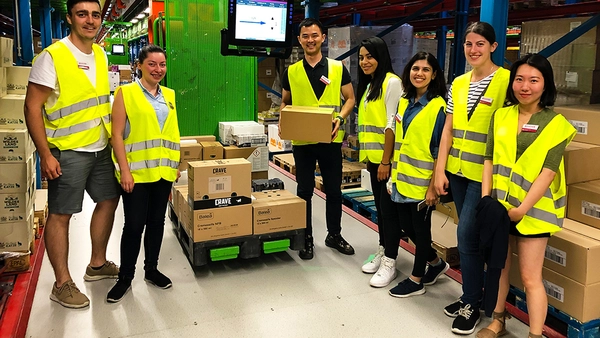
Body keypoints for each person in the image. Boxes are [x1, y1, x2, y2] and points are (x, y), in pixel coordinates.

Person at [23, 0, 120, 309]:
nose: (89, 21)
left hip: (100, 147)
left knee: (108, 200)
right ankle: (62, 283)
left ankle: (96, 264)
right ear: (70, 18)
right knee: (61, 215)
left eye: (94, 15)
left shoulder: (101, 53)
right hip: (67, 151)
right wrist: (45, 154)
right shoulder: (52, 57)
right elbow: (31, 106)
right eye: (82, 14)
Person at [476, 54, 575, 338]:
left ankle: (534, 334)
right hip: (497, 206)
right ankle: (498, 320)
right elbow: (489, 160)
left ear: (546, 85)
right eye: (519, 79)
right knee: (499, 268)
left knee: (531, 278)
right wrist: (486, 199)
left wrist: (521, 210)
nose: (525, 86)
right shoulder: (501, 115)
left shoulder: (556, 123)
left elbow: (548, 172)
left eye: (534, 80)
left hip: (533, 212)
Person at [434, 21, 511, 335]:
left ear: (493, 46)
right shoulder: (459, 82)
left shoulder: (507, 81)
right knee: (465, 235)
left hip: (486, 174)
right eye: (468, 44)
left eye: (480, 43)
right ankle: (474, 296)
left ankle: (472, 302)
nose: (474, 50)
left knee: (467, 234)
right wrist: (440, 169)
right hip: (459, 171)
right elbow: (449, 129)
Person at [107, 45, 180, 303]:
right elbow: (116, 134)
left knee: (157, 223)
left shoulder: (169, 95)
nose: (158, 70)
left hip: (163, 173)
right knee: (135, 225)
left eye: (162, 65)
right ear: (139, 65)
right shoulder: (125, 93)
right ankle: (125, 278)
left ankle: (152, 270)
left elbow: (171, 135)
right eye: (152, 64)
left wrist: (175, 167)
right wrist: (124, 171)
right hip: (135, 175)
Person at [371, 52, 449, 291]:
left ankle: (416, 280)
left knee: (420, 230)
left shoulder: (438, 107)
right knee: (406, 226)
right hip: (401, 178)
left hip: (423, 182)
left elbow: (439, 150)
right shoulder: (404, 101)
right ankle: (435, 263)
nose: (419, 74)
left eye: (426, 70)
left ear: (434, 75)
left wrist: (432, 187)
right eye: (415, 68)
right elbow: (401, 140)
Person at [280, 18, 356, 260]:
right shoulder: (291, 71)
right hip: (303, 142)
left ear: (323, 37)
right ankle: (306, 239)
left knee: (334, 191)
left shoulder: (336, 68)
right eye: (305, 36)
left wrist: (341, 119)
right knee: (304, 191)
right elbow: (284, 102)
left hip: (330, 140)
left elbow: (350, 99)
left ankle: (334, 235)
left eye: (314, 35)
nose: (310, 40)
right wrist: (283, 121)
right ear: (300, 40)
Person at [355, 37, 403, 274]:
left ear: (381, 56)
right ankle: (384, 248)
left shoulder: (392, 82)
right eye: (361, 57)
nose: (364, 62)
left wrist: (386, 161)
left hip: (387, 162)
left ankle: (390, 261)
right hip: (374, 160)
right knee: (381, 212)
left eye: (369, 56)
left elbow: (390, 125)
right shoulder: (370, 85)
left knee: (389, 213)